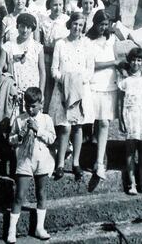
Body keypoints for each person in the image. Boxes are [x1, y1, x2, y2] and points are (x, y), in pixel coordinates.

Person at [48, 12, 94, 181]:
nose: (77, 28)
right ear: (70, 24)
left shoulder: (87, 44)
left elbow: (90, 70)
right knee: (65, 126)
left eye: (81, 25)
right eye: (75, 24)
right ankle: (60, 164)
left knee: (78, 126)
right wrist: (65, 81)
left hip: (80, 90)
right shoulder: (61, 44)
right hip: (62, 89)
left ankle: (75, 163)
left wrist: (79, 82)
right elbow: (54, 69)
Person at [7, 87, 56, 243]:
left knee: (41, 193)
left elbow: (52, 139)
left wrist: (38, 130)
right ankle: (11, 230)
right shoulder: (19, 119)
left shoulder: (46, 119)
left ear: (41, 104)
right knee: (19, 195)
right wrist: (18, 137)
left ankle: (39, 227)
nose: (30, 109)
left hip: (42, 160)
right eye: (27, 105)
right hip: (25, 160)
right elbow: (10, 139)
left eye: (34, 106)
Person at [86, 10, 118, 180]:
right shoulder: (88, 40)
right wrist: (112, 63)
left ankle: (100, 163)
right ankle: (91, 156)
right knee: (92, 123)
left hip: (109, 86)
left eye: (106, 25)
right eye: (101, 24)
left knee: (104, 122)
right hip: (93, 84)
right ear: (95, 23)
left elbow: (119, 57)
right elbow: (91, 65)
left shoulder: (112, 38)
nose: (103, 28)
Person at [118, 47, 142, 195]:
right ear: (129, 61)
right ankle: (132, 184)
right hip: (129, 115)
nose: (136, 63)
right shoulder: (124, 78)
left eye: (139, 60)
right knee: (130, 151)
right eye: (133, 60)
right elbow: (120, 101)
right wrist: (121, 120)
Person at [0, 13, 46, 97]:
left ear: (32, 29)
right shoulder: (8, 46)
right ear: (17, 26)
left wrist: (41, 93)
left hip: (33, 93)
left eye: (28, 27)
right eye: (22, 26)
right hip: (13, 92)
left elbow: (42, 72)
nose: (25, 30)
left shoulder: (37, 47)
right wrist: (9, 86)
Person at [39, 0, 69, 111]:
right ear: (49, 5)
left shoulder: (67, 20)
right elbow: (40, 43)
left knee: (60, 89)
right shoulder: (44, 20)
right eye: (54, 5)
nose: (58, 8)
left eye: (60, 5)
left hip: (62, 60)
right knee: (47, 89)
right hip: (47, 59)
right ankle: (45, 114)